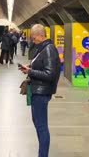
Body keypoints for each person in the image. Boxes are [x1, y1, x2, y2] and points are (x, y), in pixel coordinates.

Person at [19, 24, 60, 157]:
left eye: (34, 38)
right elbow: (41, 65)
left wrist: (31, 71)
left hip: (42, 92)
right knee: (37, 122)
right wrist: (29, 67)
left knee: (42, 126)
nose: (33, 40)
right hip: (37, 91)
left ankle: (43, 155)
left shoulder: (49, 50)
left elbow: (50, 74)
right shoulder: (43, 48)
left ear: (41, 36)